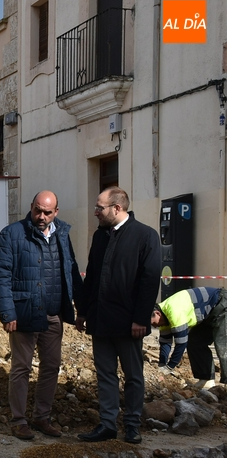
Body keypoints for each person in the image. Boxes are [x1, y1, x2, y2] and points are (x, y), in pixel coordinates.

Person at [0, 191, 83, 441]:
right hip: (24, 314)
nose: (41, 216)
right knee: (21, 368)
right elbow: (0, 276)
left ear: (56, 212)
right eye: (37, 211)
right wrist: (7, 312)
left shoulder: (62, 234)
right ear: (31, 207)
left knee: (51, 367)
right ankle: (19, 420)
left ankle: (42, 417)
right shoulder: (12, 235)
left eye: (47, 212)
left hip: (53, 313)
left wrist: (80, 308)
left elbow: (71, 270)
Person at [76, 187, 161, 444]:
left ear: (117, 208)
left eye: (99, 208)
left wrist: (141, 318)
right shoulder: (100, 237)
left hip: (129, 323)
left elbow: (149, 280)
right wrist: (83, 311)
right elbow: (92, 276)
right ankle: (107, 424)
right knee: (105, 374)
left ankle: (132, 426)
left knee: (133, 375)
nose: (95, 212)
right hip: (101, 319)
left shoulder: (145, 236)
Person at [152, 287, 227, 389]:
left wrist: (170, 366)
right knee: (194, 342)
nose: (155, 326)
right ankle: (206, 379)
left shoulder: (174, 312)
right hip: (209, 312)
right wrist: (162, 364)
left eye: (154, 323)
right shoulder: (163, 317)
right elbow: (165, 343)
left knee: (223, 346)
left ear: (157, 313)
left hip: (222, 304)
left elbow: (181, 344)